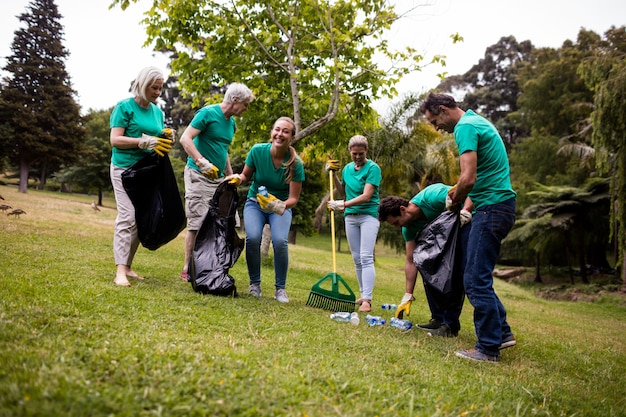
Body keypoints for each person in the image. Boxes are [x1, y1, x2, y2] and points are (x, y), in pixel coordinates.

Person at [420, 92, 517, 362]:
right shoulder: (476, 121)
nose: (437, 128)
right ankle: (502, 333)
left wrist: (454, 200)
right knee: (475, 275)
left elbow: (468, 178)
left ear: (442, 109)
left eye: (434, 121)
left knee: (474, 280)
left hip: (492, 208)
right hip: (497, 205)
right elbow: (483, 175)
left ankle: (487, 348)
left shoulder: (464, 127)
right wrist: (464, 204)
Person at [179, 83, 254, 281]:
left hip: (218, 178)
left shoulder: (231, 123)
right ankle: (187, 268)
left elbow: (223, 150)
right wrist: (201, 161)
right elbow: (185, 139)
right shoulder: (207, 114)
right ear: (235, 100)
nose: (246, 109)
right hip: (197, 174)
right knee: (197, 221)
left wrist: (229, 175)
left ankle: (209, 265)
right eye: (245, 105)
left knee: (223, 222)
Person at [225, 117, 305, 303]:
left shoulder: (296, 164)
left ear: (291, 137)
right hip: (256, 203)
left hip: (279, 207)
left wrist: (281, 205)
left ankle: (280, 289)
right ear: (272, 132)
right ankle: (255, 285)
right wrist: (238, 179)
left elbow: (294, 198)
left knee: (279, 241)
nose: (280, 134)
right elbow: (246, 175)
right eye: (277, 129)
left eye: (285, 131)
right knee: (253, 238)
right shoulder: (257, 151)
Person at [378, 184, 473, 337]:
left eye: (396, 222)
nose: (397, 227)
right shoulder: (408, 228)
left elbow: (466, 191)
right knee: (427, 265)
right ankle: (438, 318)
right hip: (443, 241)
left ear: (403, 209)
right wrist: (408, 294)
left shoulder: (433, 196)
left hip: (465, 224)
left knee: (455, 273)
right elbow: (411, 260)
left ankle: (450, 324)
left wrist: (466, 211)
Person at [109, 66, 174, 286]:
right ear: (142, 84)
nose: (157, 92)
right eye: (153, 88)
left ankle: (128, 266)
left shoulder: (158, 112)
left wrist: (165, 136)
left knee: (141, 218)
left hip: (145, 171)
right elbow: (115, 140)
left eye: (160, 88)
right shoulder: (124, 107)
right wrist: (142, 141)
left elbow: (158, 139)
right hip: (123, 169)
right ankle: (119, 271)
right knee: (127, 216)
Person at [327, 135, 382, 313]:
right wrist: (333, 174)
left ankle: (367, 300)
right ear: (350, 152)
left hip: (368, 216)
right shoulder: (348, 169)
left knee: (366, 257)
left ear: (366, 151)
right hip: (350, 216)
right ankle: (363, 294)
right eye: (354, 153)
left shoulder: (373, 168)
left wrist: (342, 205)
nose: (357, 157)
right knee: (357, 259)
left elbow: (366, 196)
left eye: (361, 153)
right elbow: (344, 191)